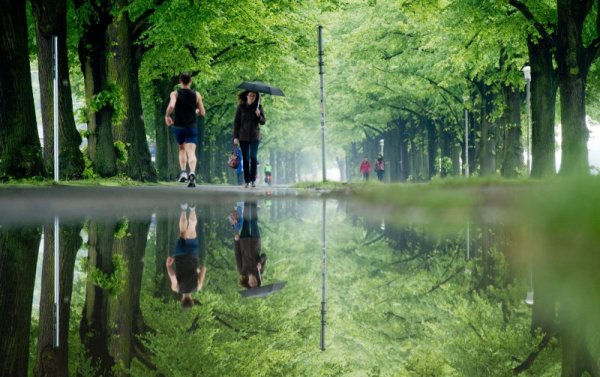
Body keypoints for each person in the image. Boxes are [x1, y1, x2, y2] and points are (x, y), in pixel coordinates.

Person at [165, 73, 206, 188]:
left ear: (180, 81)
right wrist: (196, 111)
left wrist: (167, 115)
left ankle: (183, 173)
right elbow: (202, 112)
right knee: (191, 152)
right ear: (190, 81)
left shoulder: (175, 93)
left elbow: (172, 106)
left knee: (182, 149)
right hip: (191, 127)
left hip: (178, 127)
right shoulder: (196, 95)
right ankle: (192, 173)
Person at [166, 203, 207, 309]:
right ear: (181, 300)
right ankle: (184, 208)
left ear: (192, 300)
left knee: (192, 229)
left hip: (192, 255)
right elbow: (173, 276)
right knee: (183, 231)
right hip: (179, 255)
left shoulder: (198, 286)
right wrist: (168, 266)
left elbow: (203, 268)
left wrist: (197, 271)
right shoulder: (176, 288)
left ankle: (192, 209)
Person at [233, 91, 266, 188]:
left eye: (254, 96)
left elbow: (263, 121)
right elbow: (236, 123)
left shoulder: (259, 107)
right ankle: (247, 181)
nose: (252, 97)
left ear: (256, 97)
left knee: (253, 157)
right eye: (250, 95)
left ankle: (253, 180)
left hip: (254, 136)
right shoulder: (241, 107)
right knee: (246, 158)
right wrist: (235, 137)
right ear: (247, 96)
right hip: (243, 136)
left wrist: (259, 115)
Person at [231, 201, 266, 288]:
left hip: (244, 241)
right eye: (255, 283)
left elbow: (237, 254)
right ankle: (253, 202)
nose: (253, 281)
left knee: (246, 221)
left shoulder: (242, 271)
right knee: (254, 221)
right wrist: (260, 262)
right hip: (255, 241)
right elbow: (264, 256)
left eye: (251, 283)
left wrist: (236, 241)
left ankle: (247, 202)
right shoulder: (260, 271)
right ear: (258, 281)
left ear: (248, 282)